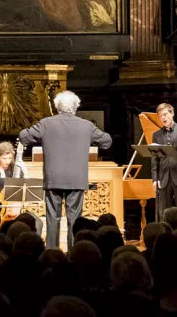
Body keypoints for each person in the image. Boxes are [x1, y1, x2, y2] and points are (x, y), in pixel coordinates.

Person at [18, 90, 112, 249]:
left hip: (53, 178)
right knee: (74, 220)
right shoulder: (86, 125)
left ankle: (52, 253)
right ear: (76, 107)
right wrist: (88, 141)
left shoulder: (46, 123)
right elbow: (107, 141)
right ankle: (73, 253)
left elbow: (24, 136)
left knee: (52, 218)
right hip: (76, 179)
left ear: (57, 107)